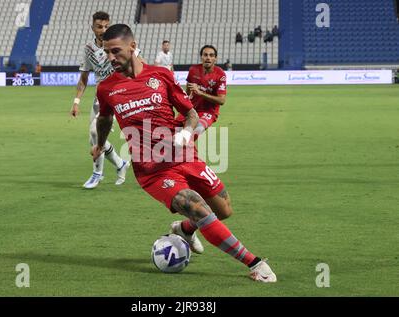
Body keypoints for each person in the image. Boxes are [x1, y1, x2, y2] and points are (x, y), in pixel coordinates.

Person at [92, 24, 277, 283]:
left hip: (185, 156)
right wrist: (100, 145)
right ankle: (255, 263)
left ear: (132, 47)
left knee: (223, 210)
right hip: (153, 170)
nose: (110, 58)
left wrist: (186, 133)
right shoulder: (106, 87)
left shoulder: (162, 76)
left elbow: (190, 113)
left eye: (116, 51)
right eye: (106, 52)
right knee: (195, 206)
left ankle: (184, 229)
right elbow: (104, 118)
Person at [70, 11, 134, 189]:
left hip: (119, 94)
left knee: (94, 133)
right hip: (101, 96)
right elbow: (83, 79)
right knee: (94, 137)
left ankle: (98, 174)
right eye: (100, 26)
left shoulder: (117, 43)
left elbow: (137, 62)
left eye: (106, 26)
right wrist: (76, 102)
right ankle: (120, 164)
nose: (103, 29)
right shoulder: (89, 48)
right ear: (93, 28)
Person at [175, 45, 226, 138]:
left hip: (208, 112)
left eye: (211, 55)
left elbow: (222, 100)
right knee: (172, 132)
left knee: (195, 131)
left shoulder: (220, 75)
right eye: (205, 55)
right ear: (201, 57)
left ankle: (185, 149)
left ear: (215, 58)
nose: (208, 58)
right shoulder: (193, 70)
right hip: (190, 109)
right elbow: (188, 92)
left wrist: (201, 93)